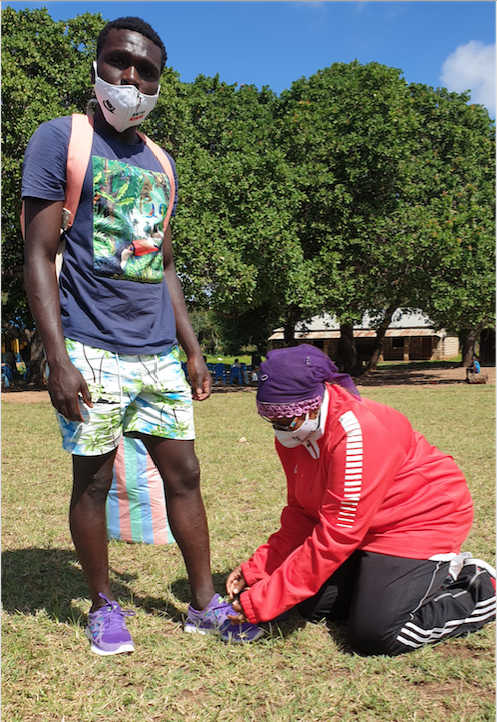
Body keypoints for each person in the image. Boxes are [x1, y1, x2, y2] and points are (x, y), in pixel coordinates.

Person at [22, 16, 262, 655]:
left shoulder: (162, 163)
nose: (130, 78)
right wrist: (57, 357)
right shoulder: (60, 140)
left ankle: (204, 604)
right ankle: (104, 605)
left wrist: (193, 346)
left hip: (158, 353)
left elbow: (166, 264)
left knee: (184, 475)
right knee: (93, 482)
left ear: (158, 82)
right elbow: (38, 255)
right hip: (91, 348)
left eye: (145, 70)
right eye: (119, 63)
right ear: (97, 64)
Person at [226, 344, 495, 655]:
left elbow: (337, 535)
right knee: (313, 608)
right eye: (272, 419)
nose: (281, 429)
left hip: (419, 522)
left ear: (315, 401)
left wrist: (260, 602)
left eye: (287, 420)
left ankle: (479, 587)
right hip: (363, 524)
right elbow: (302, 511)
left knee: (376, 635)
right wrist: (257, 570)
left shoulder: (357, 433)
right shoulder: (295, 430)